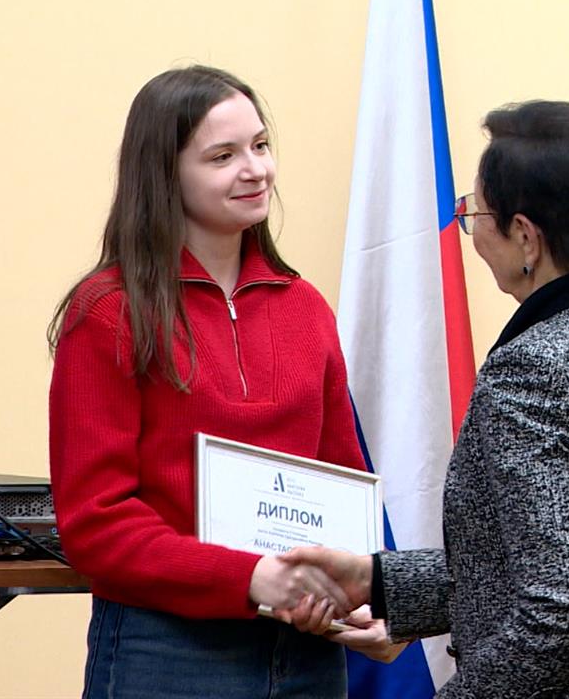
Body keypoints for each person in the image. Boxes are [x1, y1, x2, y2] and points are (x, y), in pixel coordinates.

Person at [285, 101, 569, 697]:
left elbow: (559, 606)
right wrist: (377, 581)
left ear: (525, 237)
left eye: (476, 213)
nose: (469, 228)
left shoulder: (532, 370)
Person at [48, 65, 365, 699]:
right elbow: (96, 524)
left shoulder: (306, 308)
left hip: (307, 651)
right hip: (166, 651)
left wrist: (355, 591)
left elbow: (340, 482)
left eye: (260, 144)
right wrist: (251, 577)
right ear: (164, 177)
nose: (255, 170)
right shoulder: (109, 311)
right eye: (222, 156)